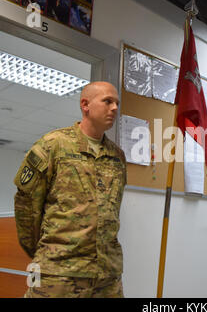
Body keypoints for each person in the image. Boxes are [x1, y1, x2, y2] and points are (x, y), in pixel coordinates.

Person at [14, 81, 127, 298]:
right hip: (58, 275)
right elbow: (26, 207)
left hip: (107, 276)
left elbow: (112, 212)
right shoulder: (53, 145)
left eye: (116, 103)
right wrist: (47, 253)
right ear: (85, 105)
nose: (114, 108)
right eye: (107, 101)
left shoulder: (117, 157)